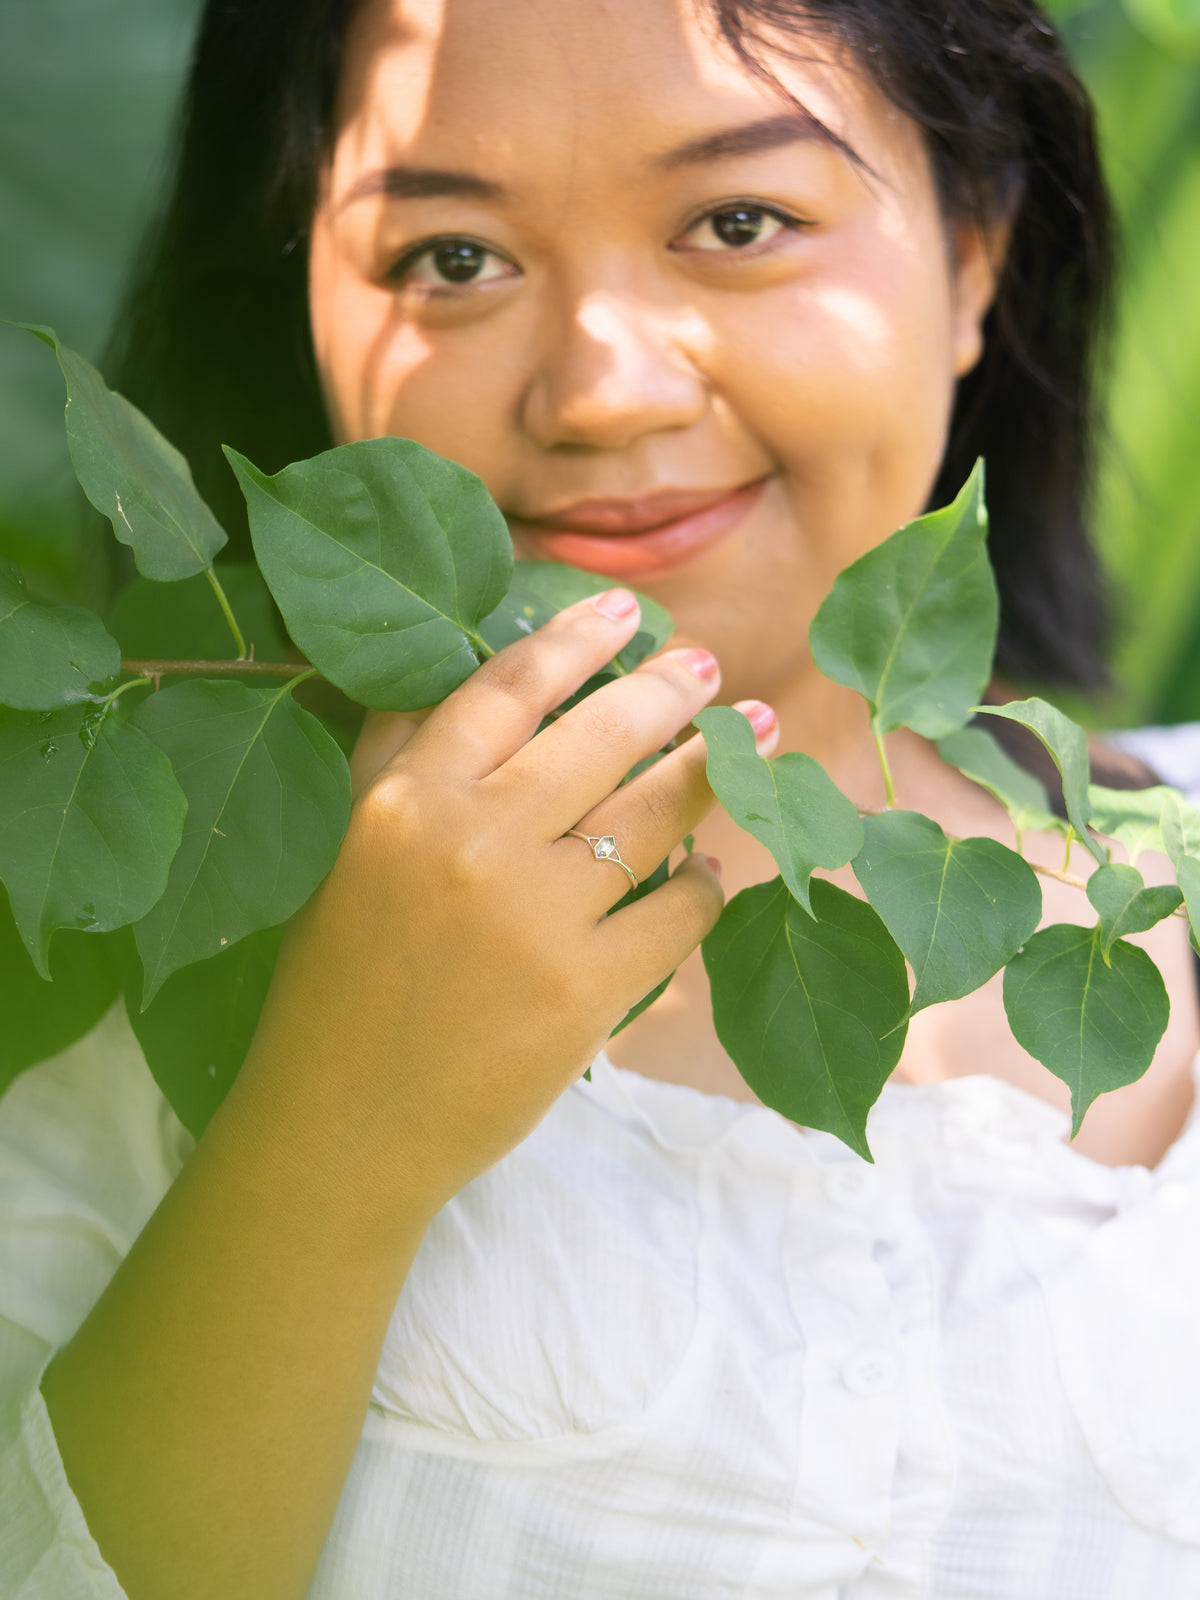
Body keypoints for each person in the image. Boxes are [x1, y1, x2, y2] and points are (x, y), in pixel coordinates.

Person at [5, 0, 1200, 1595]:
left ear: (976, 251)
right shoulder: (146, 915)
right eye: (450, 255)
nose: (601, 393)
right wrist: (336, 1128)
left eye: (738, 219)